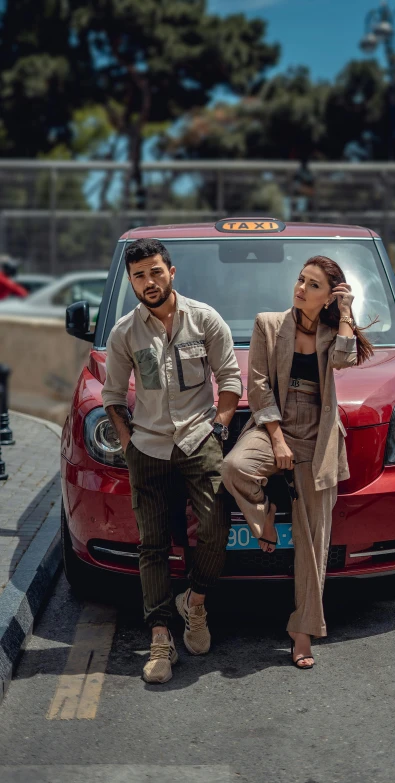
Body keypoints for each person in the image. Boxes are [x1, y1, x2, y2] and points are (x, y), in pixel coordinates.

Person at [221, 255, 374, 670]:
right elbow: (258, 385)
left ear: (328, 296)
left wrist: (345, 313)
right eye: (300, 280)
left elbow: (344, 359)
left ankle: (302, 630)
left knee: (312, 539)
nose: (301, 288)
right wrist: (276, 438)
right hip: (275, 422)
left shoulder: (331, 331)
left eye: (313, 285)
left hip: (319, 434)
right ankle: (264, 516)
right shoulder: (268, 324)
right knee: (234, 467)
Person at [101, 238, 242, 684]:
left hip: (200, 439)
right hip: (149, 446)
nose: (149, 282)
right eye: (139, 276)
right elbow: (110, 396)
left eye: (155, 272)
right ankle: (161, 637)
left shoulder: (204, 319)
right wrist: (127, 441)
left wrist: (220, 423)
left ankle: (194, 604)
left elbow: (231, 376)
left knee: (217, 524)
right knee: (152, 544)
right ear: (131, 281)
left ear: (171, 272)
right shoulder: (124, 332)